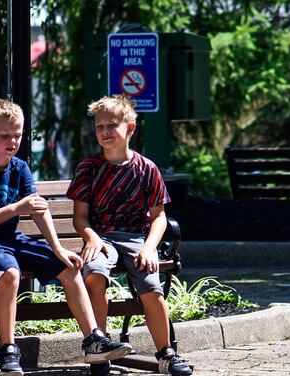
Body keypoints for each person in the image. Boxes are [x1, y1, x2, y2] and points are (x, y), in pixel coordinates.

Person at [0, 99, 133, 376]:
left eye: (18, 135)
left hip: (12, 239)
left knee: (69, 266)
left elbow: (38, 209)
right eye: (5, 136)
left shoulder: (20, 168)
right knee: (10, 273)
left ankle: (93, 340)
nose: (13, 141)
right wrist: (16, 208)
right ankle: (8, 349)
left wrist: (58, 248)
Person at [67, 95, 193, 376]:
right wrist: (91, 237)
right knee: (94, 275)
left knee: (151, 286)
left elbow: (159, 217)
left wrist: (149, 248)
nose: (105, 132)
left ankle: (166, 353)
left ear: (131, 128)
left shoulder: (147, 169)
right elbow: (80, 217)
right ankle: (99, 350)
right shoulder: (88, 169)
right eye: (100, 127)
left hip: (137, 238)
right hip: (101, 238)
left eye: (112, 125)